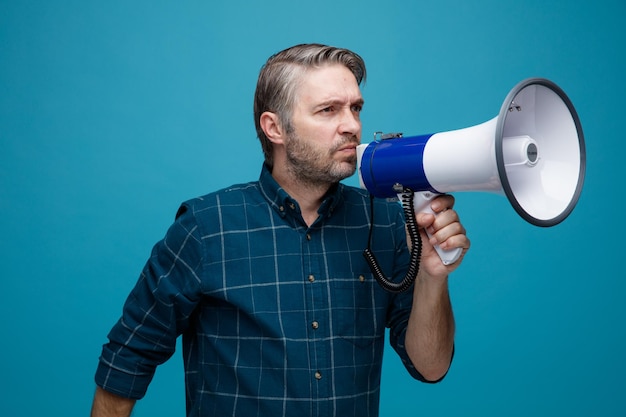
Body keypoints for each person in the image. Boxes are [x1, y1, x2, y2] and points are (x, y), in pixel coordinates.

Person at [91, 43, 470, 417]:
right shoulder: (206, 228)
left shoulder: (385, 221)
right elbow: (129, 356)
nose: (353, 126)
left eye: (356, 108)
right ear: (274, 128)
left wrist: (431, 276)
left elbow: (430, 367)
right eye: (328, 110)